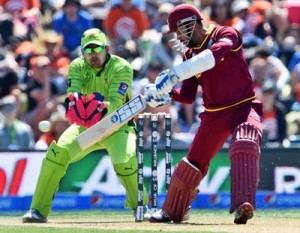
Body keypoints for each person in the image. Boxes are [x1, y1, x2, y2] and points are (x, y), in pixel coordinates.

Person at [144, 4, 263, 225]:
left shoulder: (225, 33)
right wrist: (166, 94)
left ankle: (242, 205)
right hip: (215, 114)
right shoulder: (189, 54)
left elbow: (213, 56)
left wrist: (175, 72)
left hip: (244, 107)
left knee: (245, 142)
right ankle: (171, 211)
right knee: (192, 164)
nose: (178, 38)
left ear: (190, 24)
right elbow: (188, 95)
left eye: (179, 31)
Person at [22, 28, 150, 223]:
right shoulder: (76, 66)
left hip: (117, 126)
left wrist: (91, 107)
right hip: (87, 126)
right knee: (57, 154)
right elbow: (73, 96)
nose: (93, 54)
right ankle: (37, 210)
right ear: (82, 52)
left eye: (97, 49)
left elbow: (116, 104)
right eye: (88, 50)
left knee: (125, 161)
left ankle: (142, 207)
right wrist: (77, 105)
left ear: (106, 48)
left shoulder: (122, 66)